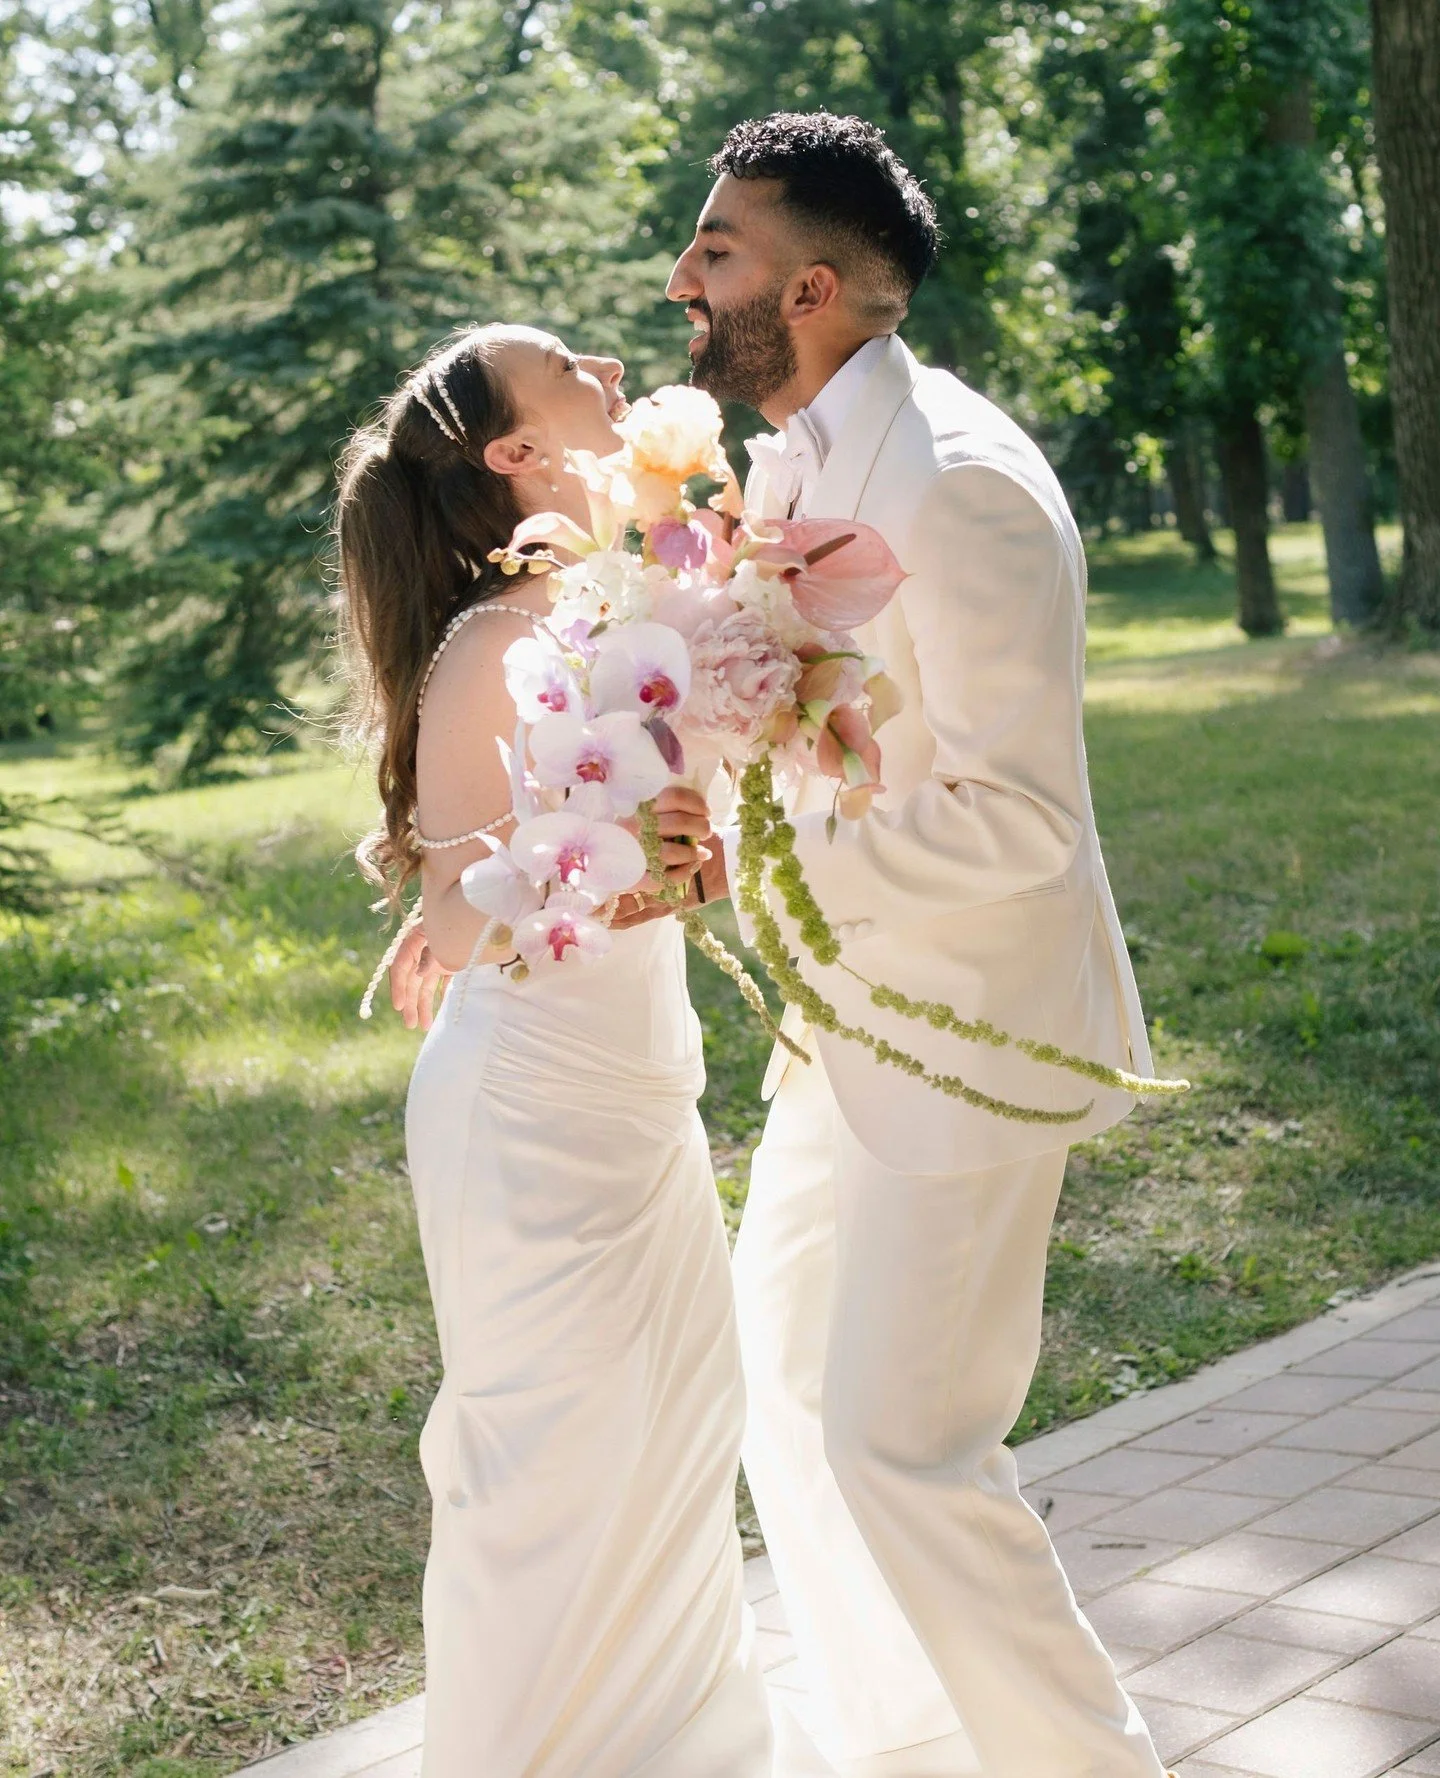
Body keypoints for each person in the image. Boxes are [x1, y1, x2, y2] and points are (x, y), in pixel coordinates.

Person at [388, 113, 1175, 1778]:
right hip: (843, 1036)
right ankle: (915, 1750)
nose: (680, 279)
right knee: (794, 1414)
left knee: (903, 1448)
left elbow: (1025, 820)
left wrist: (752, 859)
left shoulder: (961, 486)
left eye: (716, 250)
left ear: (809, 289)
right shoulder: (799, 464)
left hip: (964, 1037)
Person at [336, 323, 773, 1778]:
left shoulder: (622, 604)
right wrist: (604, 858)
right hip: (527, 1118)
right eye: (568, 367)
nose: (609, 368)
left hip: (640, 1096)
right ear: (516, 453)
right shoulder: (490, 645)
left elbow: (631, 873)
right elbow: (463, 915)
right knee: (550, 1490)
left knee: (679, 1440)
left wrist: (673, 864)